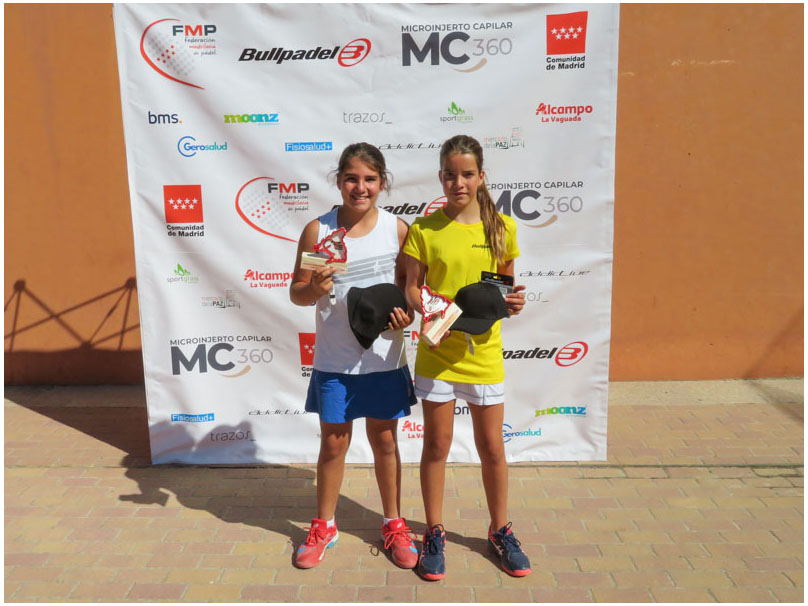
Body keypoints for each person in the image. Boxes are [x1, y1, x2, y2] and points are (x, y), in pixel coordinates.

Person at [401, 134, 530, 580]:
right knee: (436, 445)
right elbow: (410, 287)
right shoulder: (424, 229)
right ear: (441, 177)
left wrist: (514, 303)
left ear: (481, 177)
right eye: (451, 175)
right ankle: (434, 532)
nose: (459, 183)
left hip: (483, 354)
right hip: (437, 351)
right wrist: (428, 309)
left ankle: (500, 531)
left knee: (492, 447)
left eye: (468, 174)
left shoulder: (503, 228)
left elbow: (504, 292)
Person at [289, 142, 418, 570]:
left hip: (384, 358)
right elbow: (298, 293)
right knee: (333, 443)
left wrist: (407, 316)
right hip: (335, 360)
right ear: (339, 181)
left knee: (385, 441)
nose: (360, 187)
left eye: (369, 179)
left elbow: (409, 293)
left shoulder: (397, 230)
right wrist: (315, 288)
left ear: (382, 183)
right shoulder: (319, 231)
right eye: (351, 179)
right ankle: (324, 526)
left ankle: (394, 523)